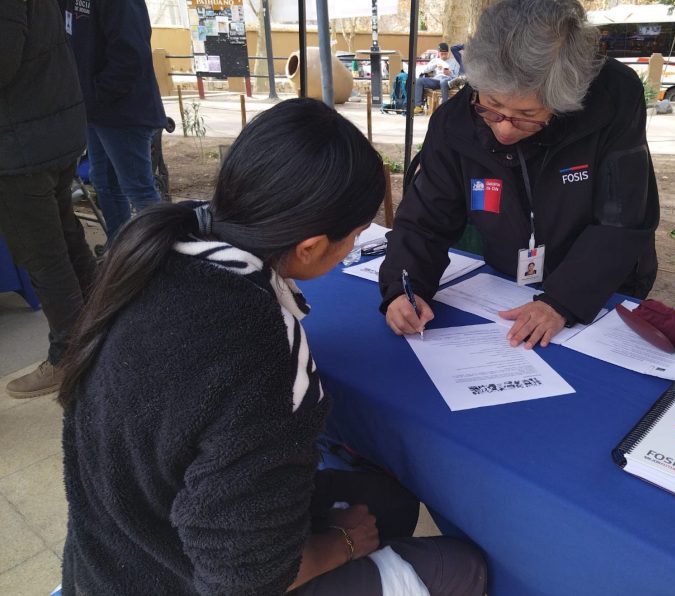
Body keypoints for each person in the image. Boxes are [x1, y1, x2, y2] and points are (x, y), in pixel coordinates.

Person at [59, 99, 487, 595]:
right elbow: (244, 579)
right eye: (353, 236)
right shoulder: (259, 346)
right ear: (309, 247)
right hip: (178, 578)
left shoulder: (154, 250)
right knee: (462, 567)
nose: (356, 245)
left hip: (118, 552)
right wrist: (342, 544)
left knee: (387, 499)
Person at [381, 0, 659, 349]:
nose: (505, 130)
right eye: (492, 106)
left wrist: (562, 301)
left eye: (527, 114)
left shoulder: (613, 97)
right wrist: (405, 287)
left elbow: (622, 218)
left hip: (600, 282)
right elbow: (425, 218)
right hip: (508, 284)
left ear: (564, 100)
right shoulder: (456, 122)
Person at [0, 0, 97, 398]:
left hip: (22, 145)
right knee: (66, 238)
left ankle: (70, 357)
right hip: (48, 132)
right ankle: (100, 333)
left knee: (45, 254)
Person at [63, 0, 168, 240]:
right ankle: (121, 247)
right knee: (104, 181)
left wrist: (97, 94)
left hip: (123, 111)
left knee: (138, 189)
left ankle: (164, 255)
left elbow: (131, 55)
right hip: (94, 109)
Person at [413, 42, 461, 114]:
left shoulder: (454, 61)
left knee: (443, 81)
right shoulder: (435, 60)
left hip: (448, 80)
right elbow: (425, 70)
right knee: (419, 81)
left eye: (445, 54)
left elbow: (457, 76)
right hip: (436, 80)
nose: (444, 56)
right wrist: (435, 65)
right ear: (438, 53)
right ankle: (418, 106)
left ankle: (444, 106)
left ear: (448, 53)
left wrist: (449, 73)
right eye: (442, 54)